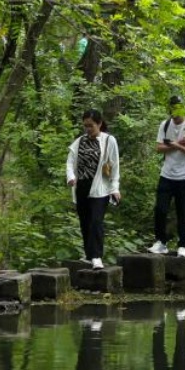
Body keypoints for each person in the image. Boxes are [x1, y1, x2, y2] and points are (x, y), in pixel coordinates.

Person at [66, 109, 121, 269]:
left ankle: (97, 256)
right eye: (85, 126)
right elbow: (70, 161)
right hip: (81, 185)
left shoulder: (109, 140)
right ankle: (89, 255)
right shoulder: (79, 141)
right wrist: (70, 176)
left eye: (91, 126)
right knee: (85, 221)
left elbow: (115, 166)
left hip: (100, 187)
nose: (88, 129)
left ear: (99, 124)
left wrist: (114, 188)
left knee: (96, 221)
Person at [150, 97, 185, 257]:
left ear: (183, 109)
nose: (175, 113)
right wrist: (178, 144)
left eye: (178, 109)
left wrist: (176, 145)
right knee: (160, 209)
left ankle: (183, 245)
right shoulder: (165, 125)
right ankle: (161, 242)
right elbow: (159, 148)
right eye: (172, 109)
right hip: (166, 174)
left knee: (183, 212)